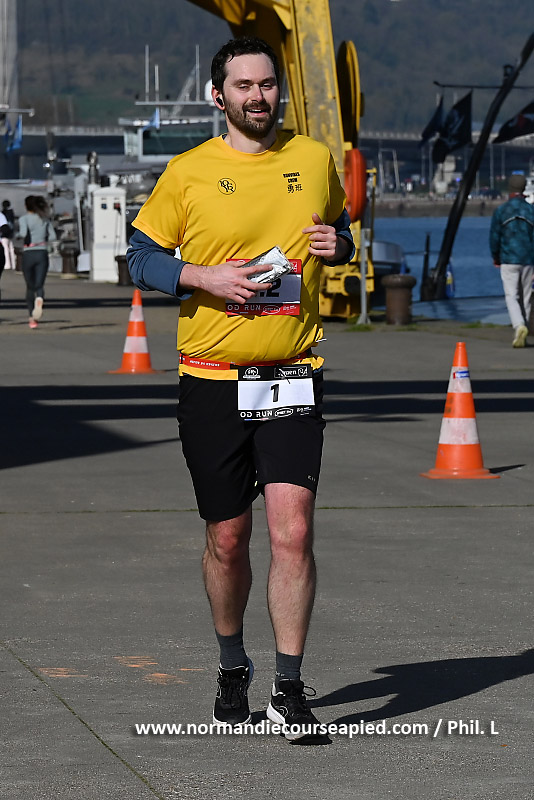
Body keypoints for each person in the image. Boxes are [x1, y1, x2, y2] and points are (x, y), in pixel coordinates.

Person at [127, 36, 354, 741]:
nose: (258, 97)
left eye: (267, 84)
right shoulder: (189, 172)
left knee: (294, 532)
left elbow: (341, 230)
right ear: (217, 96)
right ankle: (233, 666)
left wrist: (339, 246)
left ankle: (288, 689)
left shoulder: (313, 158)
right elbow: (140, 257)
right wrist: (203, 277)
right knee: (229, 538)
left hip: (291, 374)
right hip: (212, 380)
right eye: (244, 86)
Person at [489, 174, 534, 348]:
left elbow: (494, 237)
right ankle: (524, 331)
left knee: (511, 296)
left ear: (510, 188)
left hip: (508, 258)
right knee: (526, 297)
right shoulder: (531, 210)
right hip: (528, 259)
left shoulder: (501, 211)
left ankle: (519, 326)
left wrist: (496, 256)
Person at [18, 195, 56, 329]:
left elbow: (23, 234)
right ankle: (39, 299)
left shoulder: (24, 219)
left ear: (26, 206)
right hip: (42, 253)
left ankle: (32, 319)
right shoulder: (44, 219)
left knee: (30, 286)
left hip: (29, 253)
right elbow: (53, 236)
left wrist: (17, 236)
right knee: (39, 285)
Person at [1, 200, 16, 270]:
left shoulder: (2, 213)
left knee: (5, 249)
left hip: (3, 234)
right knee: (11, 249)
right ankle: (13, 264)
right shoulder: (11, 213)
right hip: (10, 233)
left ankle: (7, 264)